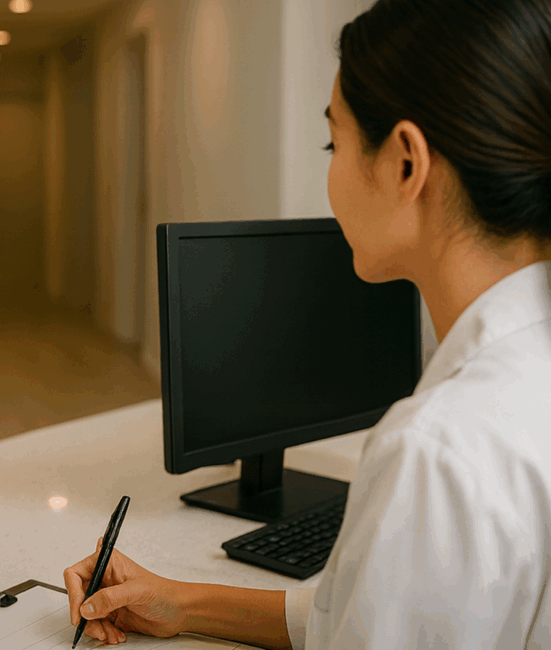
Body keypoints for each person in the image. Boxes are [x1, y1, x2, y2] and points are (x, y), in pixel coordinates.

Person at [63, 0, 551, 648]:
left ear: (406, 163)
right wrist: (182, 603)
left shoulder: (436, 453)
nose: (330, 169)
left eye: (335, 141)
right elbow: (353, 618)